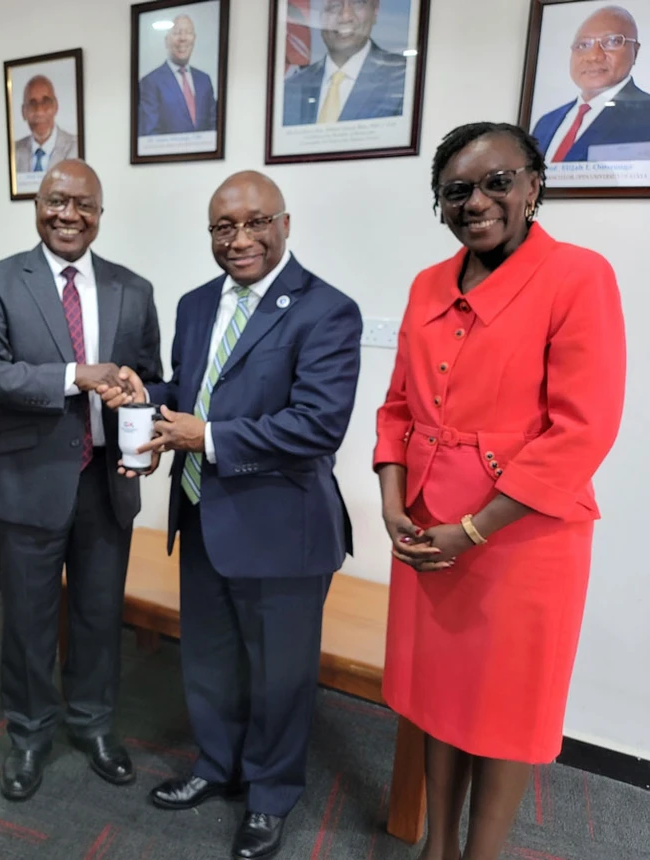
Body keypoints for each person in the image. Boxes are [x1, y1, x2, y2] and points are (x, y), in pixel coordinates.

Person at [374, 122, 626, 860]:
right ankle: (437, 848)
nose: (476, 200)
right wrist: (392, 506)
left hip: (521, 540)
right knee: (439, 701)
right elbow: (395, 410)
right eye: (456, 190)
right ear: (439, 204)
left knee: (506, 711)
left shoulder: (578, 276)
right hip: (425, 531)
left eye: (496, 182)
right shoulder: (426, 284)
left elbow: (581, 430)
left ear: (533, 185)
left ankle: (478, 855)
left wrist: (476, 529)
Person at [116, 171, 362, 860]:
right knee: (209, 660)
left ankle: (270, 793)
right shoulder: (197, 305)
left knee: (279, 672)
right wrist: (145, 393)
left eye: (256, 222)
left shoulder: (325, 310)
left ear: (286, 223)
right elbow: (190, 391)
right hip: (201, 516)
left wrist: (210, 438)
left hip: (282, 529)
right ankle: (214, 767)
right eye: (224, 227)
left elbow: (317, 425)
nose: (240, 238)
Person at [0, 159, 162, 802]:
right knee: (28, 619)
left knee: (101, 615)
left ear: (101, 213)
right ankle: (27, 732)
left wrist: (144, 420)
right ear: (37, 204)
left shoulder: (134, 287)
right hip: (29, 480)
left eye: (84, 204)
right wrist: (74, 375)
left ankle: (94, 724)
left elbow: (150, 378)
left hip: (107, 482)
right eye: (56, 201)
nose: (68, 214)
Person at [531, 5, 650, 163]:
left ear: (635, 51)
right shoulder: (546, 123)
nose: (593, 56)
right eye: (583, 45)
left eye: (612, 41)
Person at [282, 0, 407, 126]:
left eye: (357, 3)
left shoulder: (404, 80)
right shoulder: (289, 90)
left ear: (375, 10)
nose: (345, 16)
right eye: (334, 5)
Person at [138, 14, 218, 135]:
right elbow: (149, 133)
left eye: (188, 32)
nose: (183, 38)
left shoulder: (204, 80)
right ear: (166, 41)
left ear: (194, 39)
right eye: (176, 33)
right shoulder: (150, 82)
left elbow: (214, 126)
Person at [14, 75, 79, 173]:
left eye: (46, 102)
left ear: (55, 106)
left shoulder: (76, 147)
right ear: (23, 112)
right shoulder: (13, 151)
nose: (39, 111)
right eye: (32, 103)